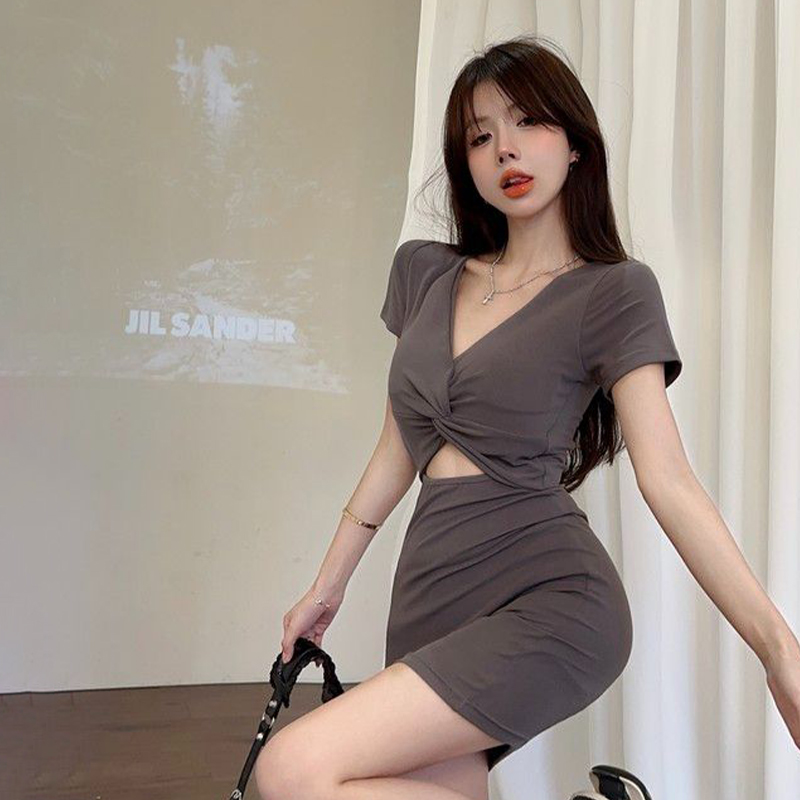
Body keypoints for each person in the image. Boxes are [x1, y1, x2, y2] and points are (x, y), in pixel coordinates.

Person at [254, 34, 800, 800]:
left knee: (291, 770)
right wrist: (327, 586)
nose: (505, 149)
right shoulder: (424, 273)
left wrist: (778, 648)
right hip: (430, 589)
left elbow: (670, 481)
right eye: (480, 137)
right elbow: (396, 449)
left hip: (552, 595)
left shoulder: (613, 292)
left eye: (528, 122)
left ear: (575, 143)